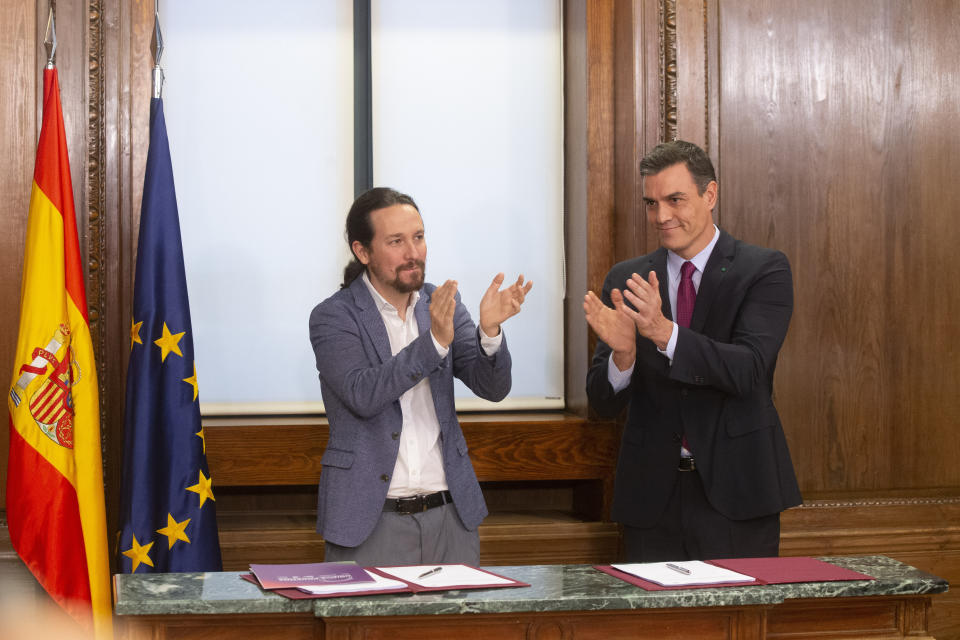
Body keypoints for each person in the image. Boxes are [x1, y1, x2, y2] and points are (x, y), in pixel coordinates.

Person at [583, 140, 801, 562]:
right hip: (651, 499)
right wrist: (624, 358)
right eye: (651, 203)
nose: (661, 216)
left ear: (710, 194)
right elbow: (602, 404)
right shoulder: (627, 278)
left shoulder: (764, 269)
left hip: (738, 494)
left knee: (737, 627)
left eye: (675, 200)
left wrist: (664, 333)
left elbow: (749, 370)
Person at [309, 187, 532, 566]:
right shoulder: (334, 316)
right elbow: (363, 393)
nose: (413, 252)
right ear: (362, 252)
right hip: (370, 519)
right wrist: (434, 342)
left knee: (456, 627)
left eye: (419, 237)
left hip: (450, 514)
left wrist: (490, 332)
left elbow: (492, 388)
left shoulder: (441, 303)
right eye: (396, 241)